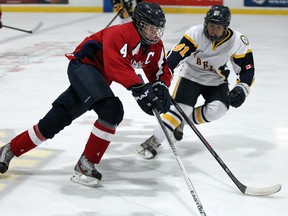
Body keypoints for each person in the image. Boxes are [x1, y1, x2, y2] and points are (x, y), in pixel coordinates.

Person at [0, 2, 172, 187]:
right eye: (150, 28)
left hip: (99, 77)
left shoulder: (155, 47)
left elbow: (160, 69)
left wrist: (161, 85)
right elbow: (116, 66)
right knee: (111, 110)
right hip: (84, 67)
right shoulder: (120, 33)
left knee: (56, 120)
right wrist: (139, 89)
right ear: (138, 23)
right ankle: (85, 164)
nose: (155, 33)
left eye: (157, 29)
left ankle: (9, 149)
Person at [135, 4, 255, 159]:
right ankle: (154, 140)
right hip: (190, 76)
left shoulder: (238, 41)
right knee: (181, 108)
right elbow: (176, 57)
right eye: (211, 26)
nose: (214, 30)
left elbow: (247, 70)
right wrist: (161, 79)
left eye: (218, 27)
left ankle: (181, 121)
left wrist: (242, 88)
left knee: (219, 109)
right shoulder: (195, 33)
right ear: (206, 23)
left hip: (216, 80)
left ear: (226, 28)